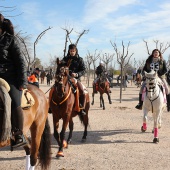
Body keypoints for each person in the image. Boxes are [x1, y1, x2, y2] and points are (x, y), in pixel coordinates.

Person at [0, 14, 27, 147]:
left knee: (14, 100)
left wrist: (22, 82)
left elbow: (20, 62)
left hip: (9, 77)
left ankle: (19, 134)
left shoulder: (10, 40)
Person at [62, 44, 86, 116]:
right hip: (66, 78)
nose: (72, 52)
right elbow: (61, 66)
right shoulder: (65, 59)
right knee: (55, 87)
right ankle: (51, 105)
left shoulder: (80, 59)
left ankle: (81, 107)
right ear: (69, 51)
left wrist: (77, 74)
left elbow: (84, 70)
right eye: (71, 51)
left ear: (76, 51)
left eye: (73, 51)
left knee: (82, 90)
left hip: (76, 79)